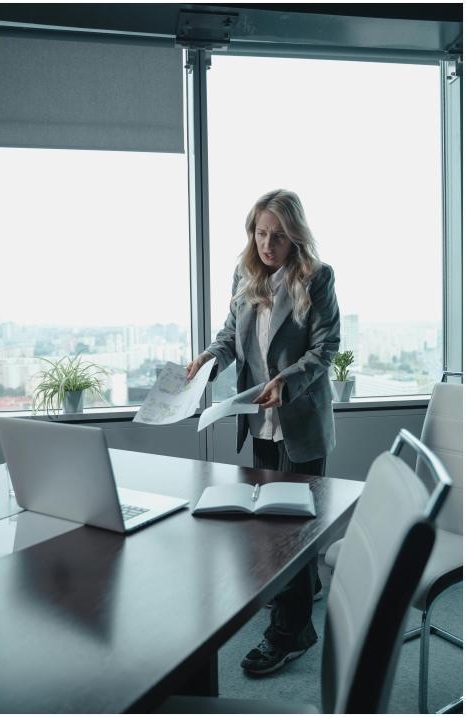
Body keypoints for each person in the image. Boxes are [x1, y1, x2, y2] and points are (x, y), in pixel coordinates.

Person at [186, 189, 340, 675]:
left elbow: (326, 347)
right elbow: (231, 337)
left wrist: (286, 381)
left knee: (289, 531)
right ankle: (300, 593)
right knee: (269, 526)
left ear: (294, 236)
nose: (268, 243)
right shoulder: (245, 275)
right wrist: (210, 360)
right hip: (259, 422)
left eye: (277, 235)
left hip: (299, 420)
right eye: (260, 232)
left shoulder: (316, 278)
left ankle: (292, 633)